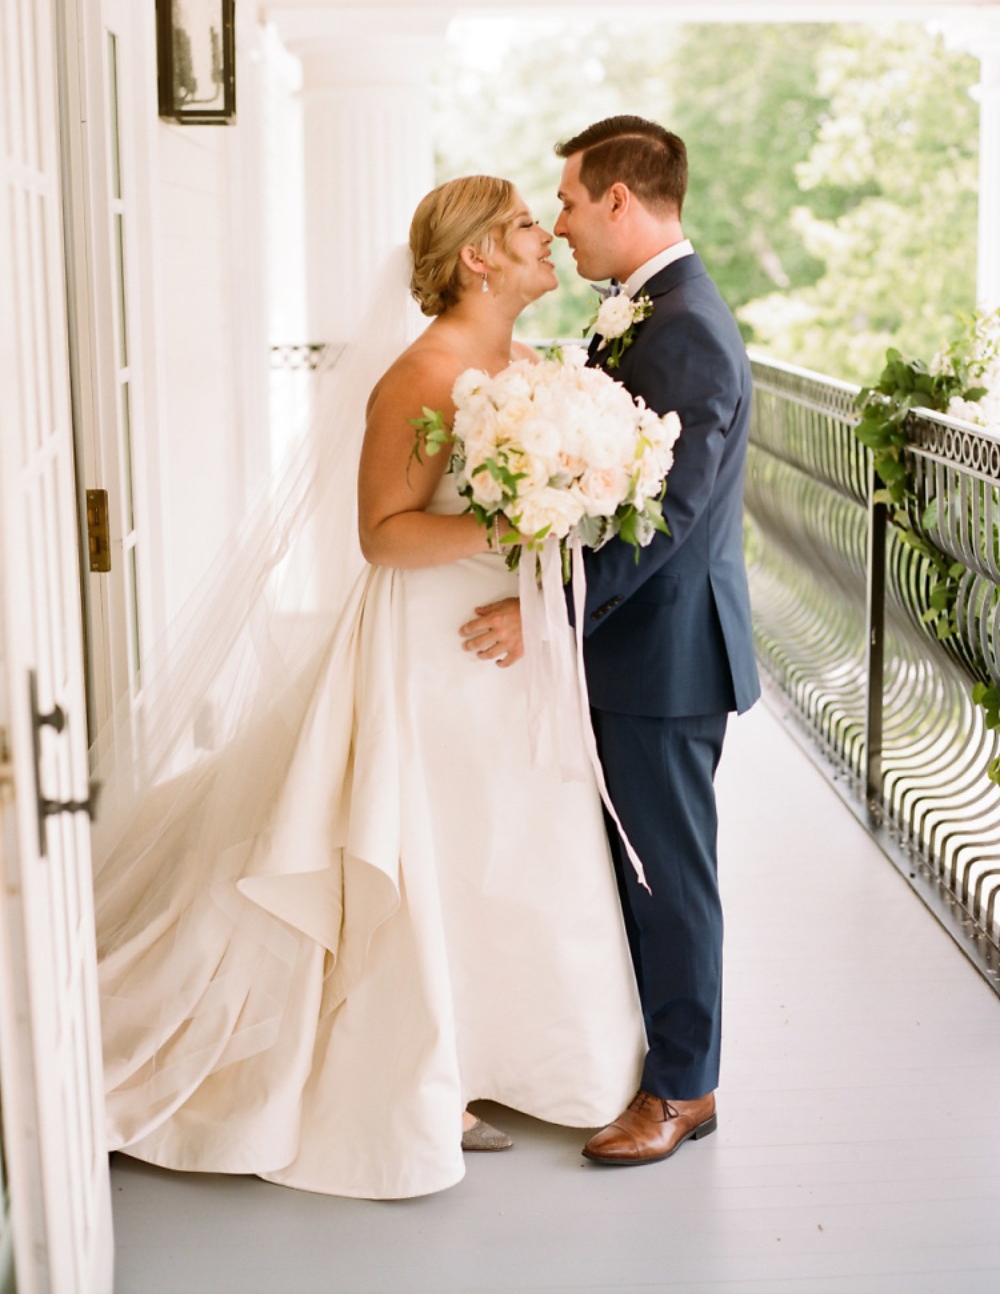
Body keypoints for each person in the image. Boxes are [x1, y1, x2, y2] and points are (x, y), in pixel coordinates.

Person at [94, 175, 645, 1201]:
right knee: (425, 840)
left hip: (509, 636)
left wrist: (570, 502)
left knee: (507, 833)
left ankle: (497, 1047)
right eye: (525, 226)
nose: (543, 239)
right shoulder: (422, 373)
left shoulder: (525, 364)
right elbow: (381, 535)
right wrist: (514, 524)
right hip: (428, 643)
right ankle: (418, 1061)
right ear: (476, 257)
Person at [466, 118, 760, 1166]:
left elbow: (664, 520)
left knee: (668, 877)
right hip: (633, 648)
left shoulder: (681, 327)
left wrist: (544, 612)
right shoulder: (645, 313)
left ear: (623, 202)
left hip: (665, 654)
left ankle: (684, 1089)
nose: (561, 223)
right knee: (636, 870)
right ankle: (656, 1062)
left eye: (572, 202)